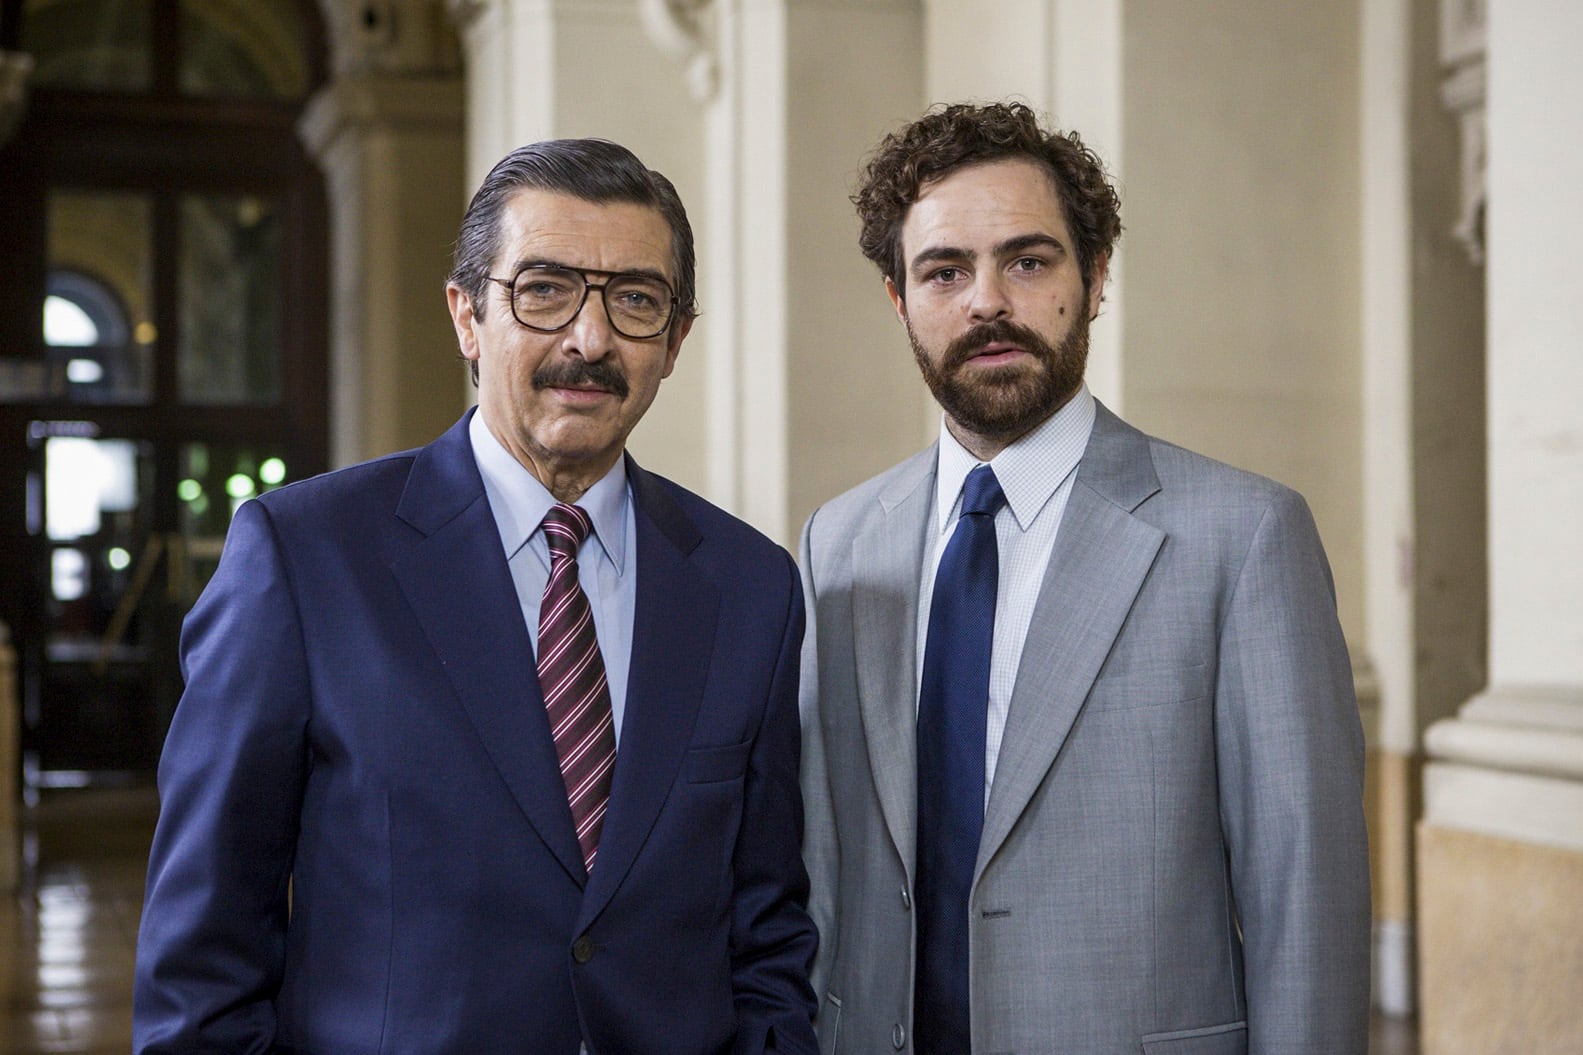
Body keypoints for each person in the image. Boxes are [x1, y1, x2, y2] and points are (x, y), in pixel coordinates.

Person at [134, 138, 818, 1055]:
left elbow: (764, 929)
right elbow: (203, 955)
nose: (589, 337)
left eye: (635, 301)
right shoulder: (303, 559)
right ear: (466, 315)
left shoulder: (749, 585)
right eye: (543, 289)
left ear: (675, 341)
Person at [798, 102, 1370, 1054]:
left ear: (1094, 278)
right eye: (945, 271)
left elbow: (1302, 893)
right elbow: (819, 865)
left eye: (1027, 261)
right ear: (899, 300)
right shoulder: (840, 542)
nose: (987, 302)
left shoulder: (1242, 536)